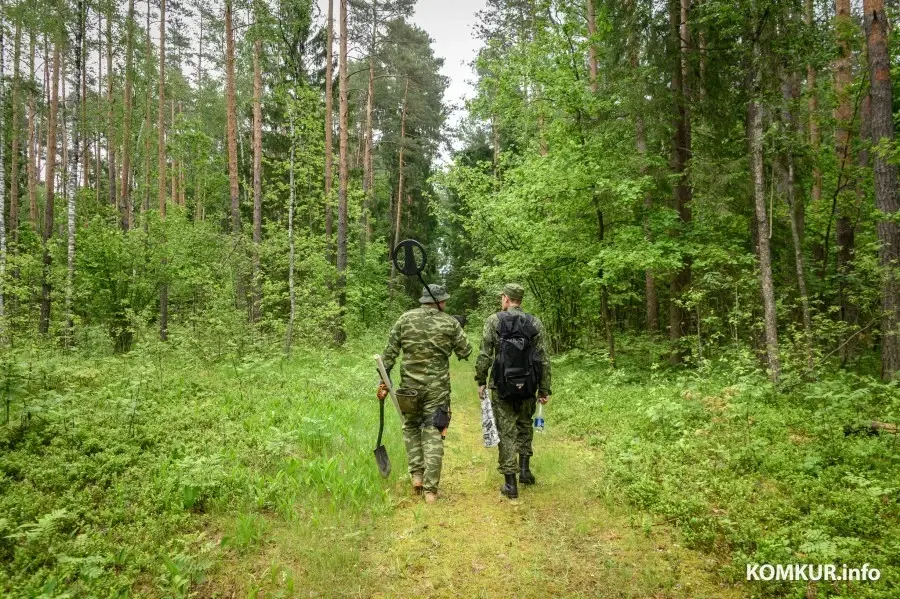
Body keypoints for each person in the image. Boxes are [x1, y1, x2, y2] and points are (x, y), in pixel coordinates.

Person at [379, 284, 472, 503]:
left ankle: (417, 476)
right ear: (439, 301)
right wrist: (456, 327)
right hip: (437, 390)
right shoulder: (449, 322)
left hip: (408, 389)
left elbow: (388, 355)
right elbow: (466, 351)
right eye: (444, 300)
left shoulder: (404, 319)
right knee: (433, 431)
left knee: (411, 426)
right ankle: (430, 491)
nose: (446, 303)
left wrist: (383, 382)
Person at [475, 283, 551, 499]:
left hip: (502, 386)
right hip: (528, 385)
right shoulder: (534, 322)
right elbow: (543, 359)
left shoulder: (494, 320)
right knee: (525, 425)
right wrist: (544, 388)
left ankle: (511, 484)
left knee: (506, 431)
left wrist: (481, 379)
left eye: (502, 297)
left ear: (506, 298)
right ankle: (525, 471)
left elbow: (484, 354)